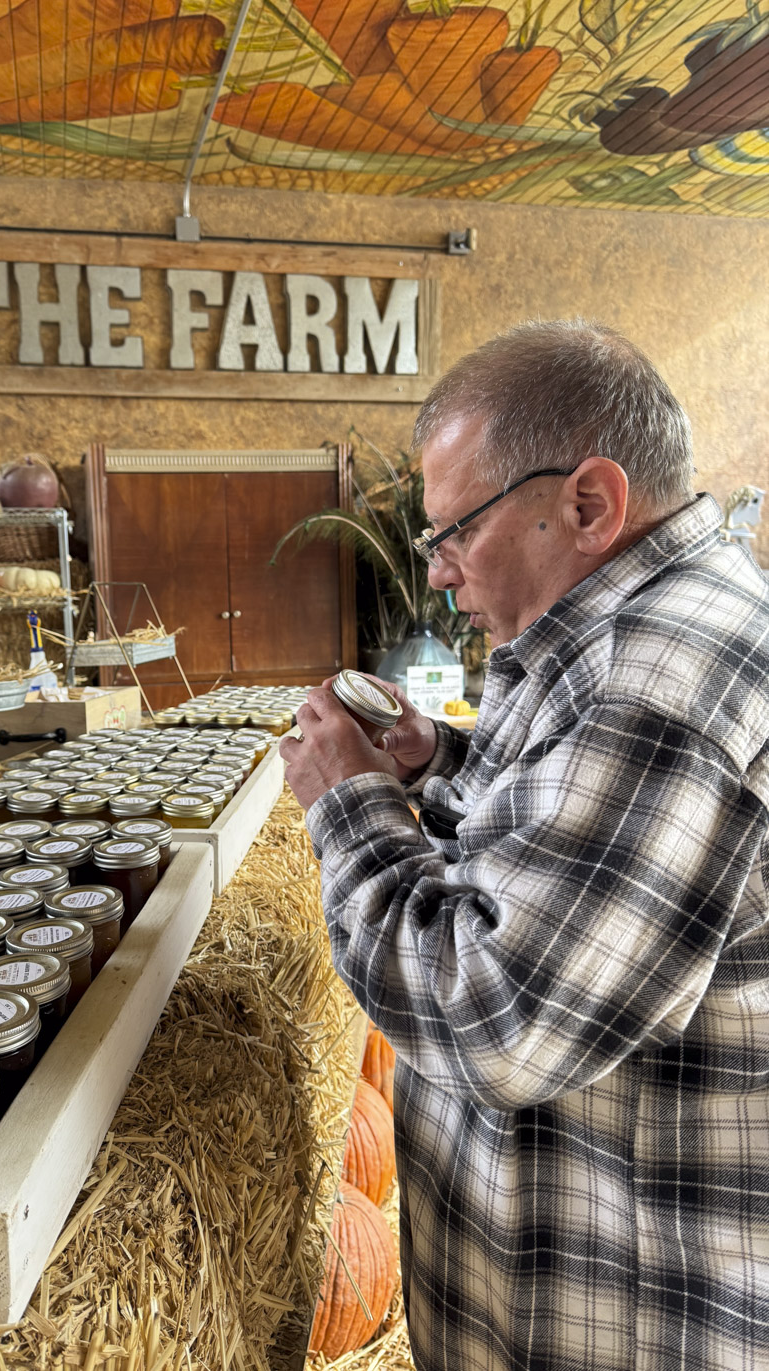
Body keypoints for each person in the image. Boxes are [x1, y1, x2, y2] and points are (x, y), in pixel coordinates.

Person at [280, 319, 769, 1371]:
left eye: (453, 531)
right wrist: (431, 765)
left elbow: (492, 1016)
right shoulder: (623, 630)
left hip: (622, 1322)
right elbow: (560, 841)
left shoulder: (654, 682)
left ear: (585, 504)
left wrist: (349, 808)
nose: (441, 573)